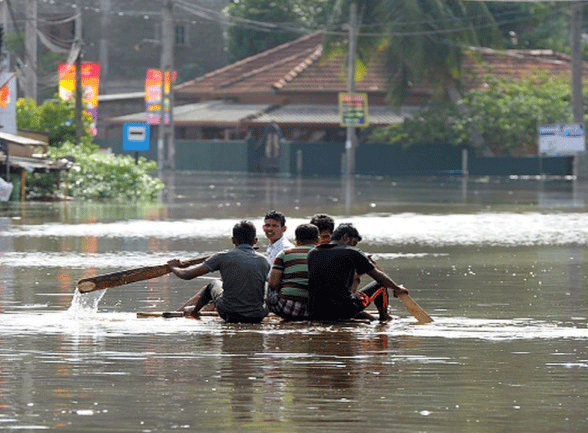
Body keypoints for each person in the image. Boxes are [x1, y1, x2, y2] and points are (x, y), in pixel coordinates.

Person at [167, 220, 271, 323]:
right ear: (255, 241)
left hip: (229, 313)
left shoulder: (222, 257)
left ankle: (194, 312)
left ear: (233, 240)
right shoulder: (264, 260)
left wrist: (173, 267)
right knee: (266, 285)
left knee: (213, 284)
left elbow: (187, 274)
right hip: (258, 315)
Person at [306, 223, 409, 322]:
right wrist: (397, 288)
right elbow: (379, 277)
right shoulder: (352, 252)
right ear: (346, 237)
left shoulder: (313, 253)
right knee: (381, 285)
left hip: (315, 311)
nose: (353, 246)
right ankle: (384, 317)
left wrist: (364, 264)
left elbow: (336, 276)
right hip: (343, 310)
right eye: (353, 243)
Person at [267, 223, 319, 321]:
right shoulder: (323, 254)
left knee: (270, 286)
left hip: (287, 308)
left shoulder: (284, 254)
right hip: (317, 308)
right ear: (318, 240)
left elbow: (273, 284)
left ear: (297, 240)